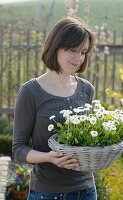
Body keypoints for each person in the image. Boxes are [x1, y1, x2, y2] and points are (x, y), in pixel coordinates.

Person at [12, 17, 97, 200]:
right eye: (72, 50)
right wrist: (48, 157)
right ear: (55, 47)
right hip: (47, 193)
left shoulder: (86, 89)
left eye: (83, 52)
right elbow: (18, 149)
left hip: (87, 190)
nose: (79, 58)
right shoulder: (30, 92)